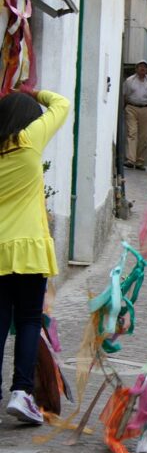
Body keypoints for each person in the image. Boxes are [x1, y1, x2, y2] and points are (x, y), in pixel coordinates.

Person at [0, 88, 71, 425]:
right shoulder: (28, 141)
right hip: (28, 249)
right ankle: (22, 392)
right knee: (29, 320)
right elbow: (62, 104)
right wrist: (34, 92)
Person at [123, 60, 147, 170]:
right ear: (136, 68)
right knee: (132, 133)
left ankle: (139, 160)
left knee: (144, 136)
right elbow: (124, 95)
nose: (143, 69)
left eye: (145, 67)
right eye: (140, 67)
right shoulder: (129, 81)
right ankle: (130, 159)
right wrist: (122, 108)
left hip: (146, 108)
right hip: (131, 107)